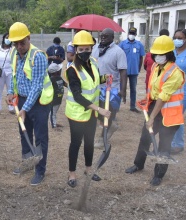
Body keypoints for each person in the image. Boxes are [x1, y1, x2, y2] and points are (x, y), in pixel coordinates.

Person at [125, 35, 185, 186]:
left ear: (169, 54)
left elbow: (164, 96)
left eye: (161, 54)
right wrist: (147, 100)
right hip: (154, 106)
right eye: (156, 54)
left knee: (164, 144)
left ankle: (158, 174)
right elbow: (154, 90)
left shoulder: (175, 72)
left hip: (169, 114)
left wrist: (151, 117)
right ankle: (138, 164)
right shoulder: (155, 67)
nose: (158, 57)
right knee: (145, 137)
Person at [6, 22, 53, 186]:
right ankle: (27, 163)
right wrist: (10, 92)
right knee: (24, 135)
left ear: (29, 38)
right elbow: (14, 75)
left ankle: (40, 170)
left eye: (22, 42)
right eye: (15, 43)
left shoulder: (38, 56)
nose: (19, 46)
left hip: (39, 102)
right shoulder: (14, 53)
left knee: (40, 138)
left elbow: (37, 85)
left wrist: (25, 109)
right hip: (22, 100)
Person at [65, 30, 111, 188]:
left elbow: (95, 81)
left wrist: (106, 78)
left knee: (89, 142)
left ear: (92, 48)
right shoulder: (72, 70)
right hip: (77, 114)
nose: (85, 52)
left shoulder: (94, 63)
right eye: (81, 49)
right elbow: (77, 96)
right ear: (76, 50)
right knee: (76, 143)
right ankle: (72, 173)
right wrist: (99, 109)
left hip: (91, 112)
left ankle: (89, 169)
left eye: (88, 49)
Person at [91, 28, 127, 147]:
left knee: (107, 112)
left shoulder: (118, 52)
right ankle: (111, 125)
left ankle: (103, 138)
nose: (103, 38)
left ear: (113, 37)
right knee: (97, 111)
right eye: (102, 36)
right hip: (97, 85)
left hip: (111, 87)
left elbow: (123, 72)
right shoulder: (95, 48)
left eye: (106, 36)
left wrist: (123, 90)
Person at [119, 27, 145, 113]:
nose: (131, 35)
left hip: (134, 71)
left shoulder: (139, 45)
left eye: (133, 33)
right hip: (123, 70)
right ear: (128, 33)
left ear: (136, 34)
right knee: (121, 88)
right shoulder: (122, 44)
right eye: (130, 33)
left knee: (133, 89)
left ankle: (132, 106)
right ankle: (117, 106)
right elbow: (118, 56)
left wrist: (138, 69)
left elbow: (141, 57)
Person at [0, 33, 14, 114]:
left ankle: (12, 107)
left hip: (10, 72)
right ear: (3, 38)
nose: (7, 39)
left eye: (9, 38)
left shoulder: (13, 49)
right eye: (6, 37)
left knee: (11, 90)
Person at [48, 63, 67, 129]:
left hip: (59, 98)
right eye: (59, 70)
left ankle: (54, 122)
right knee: (52, 113)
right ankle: (54, 125)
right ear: (55, 72)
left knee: (54, 112)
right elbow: (46, 88)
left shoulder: (59, 78)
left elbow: (65, 84)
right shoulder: (51, 80)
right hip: (54, 99)